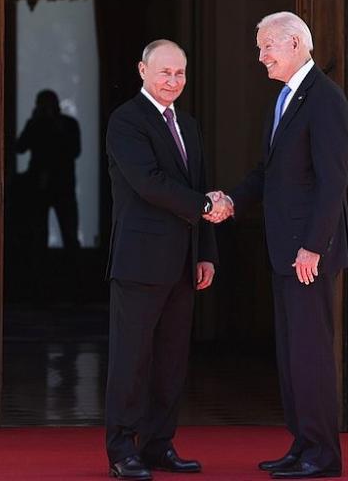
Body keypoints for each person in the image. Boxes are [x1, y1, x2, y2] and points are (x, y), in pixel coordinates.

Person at [206, 12, 348, 479]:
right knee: (292, 354)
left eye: (266, 46)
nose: (261, 56)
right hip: (285, 250)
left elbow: (333, 182)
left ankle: (323, 455)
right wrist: (231, 200)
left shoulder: (324, 99)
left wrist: (313, 246)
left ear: (294, 44)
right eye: (260, 48)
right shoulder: (287, 99)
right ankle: (302, 442)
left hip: (306, 253)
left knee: (310, 352)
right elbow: (267, 173)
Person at [104, 39, 228, 480]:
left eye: (179, 74)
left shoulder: (189, 125)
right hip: (140, 262)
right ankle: (122, 450)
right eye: (164, 73)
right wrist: (206, 205)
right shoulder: (126, 121)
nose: (173, 81)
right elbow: (150, 183)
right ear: (142, 70)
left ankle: (159, 445)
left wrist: (206, 253)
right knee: (131, 360)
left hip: (184, 262)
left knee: (171, 361)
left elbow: (202, 183)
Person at [15, 89, 82, 279]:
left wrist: (56, 127)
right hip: (39, 188)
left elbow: (75, 151)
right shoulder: (36, 124)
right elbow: (20, 147)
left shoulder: (68, 124)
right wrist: (33, 123)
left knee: (69, 235)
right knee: (38, 238)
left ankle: (75, 283)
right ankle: (39, 284)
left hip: (63, 187)